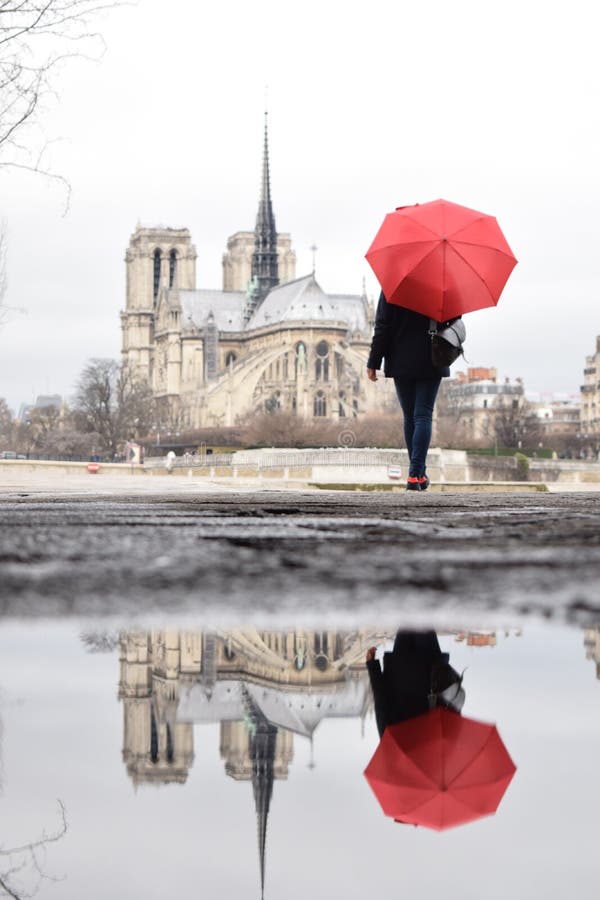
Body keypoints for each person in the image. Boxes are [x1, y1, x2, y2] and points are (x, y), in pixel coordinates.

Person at [366, 292, 451, 491]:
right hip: (431, 357)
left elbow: (382, 326)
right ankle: (416, 474)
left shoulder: (393, 285)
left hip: (400, 358)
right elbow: (453, 320)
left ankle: (417, 474)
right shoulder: (441, 284)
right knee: (423, 415)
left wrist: (373, 362)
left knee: (410, 417)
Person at [365, 630, 464, 738]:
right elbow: (380, 702)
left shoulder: (438, 741)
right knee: (410, 620)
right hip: (401, 667)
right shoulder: (391, 744)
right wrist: (372, 666)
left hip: (429, 667)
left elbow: (450, 710)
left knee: (421, 620)